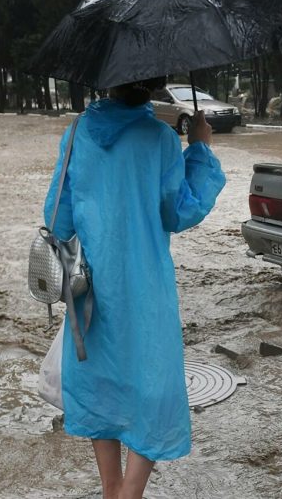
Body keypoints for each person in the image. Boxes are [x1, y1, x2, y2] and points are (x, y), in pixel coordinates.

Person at [43, 76, 226, 499]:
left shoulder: (76, 134)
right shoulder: (160, 139)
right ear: (155, 85)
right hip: (145, 291)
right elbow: (179, 212)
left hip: (91, 290)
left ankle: (113, 490)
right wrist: (200, 147)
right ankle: (129, 493)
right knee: (154, 388)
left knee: (100, 385)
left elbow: (58, 220)